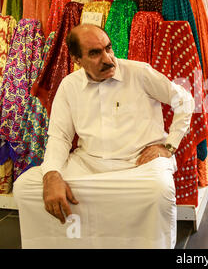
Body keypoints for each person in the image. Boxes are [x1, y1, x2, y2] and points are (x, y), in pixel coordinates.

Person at [13, 24, 195, 249]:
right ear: (77, 59)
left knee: (158, 189)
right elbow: (59, 136)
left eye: (108, 48)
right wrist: (52, 174)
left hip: (139, 165)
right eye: (95, 53)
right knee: (25, 187)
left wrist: (169, 146)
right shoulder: (69, 86)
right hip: (89, 163)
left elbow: (185, 100)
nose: (108, 58)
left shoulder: (139, 72)